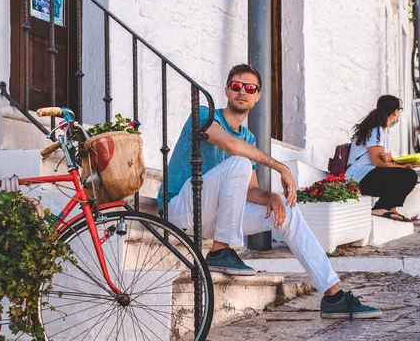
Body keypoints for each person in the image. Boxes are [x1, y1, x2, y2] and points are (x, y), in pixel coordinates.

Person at [157, 64, 381, 319]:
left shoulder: (249, 139)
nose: (243, 91)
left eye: (250, 88)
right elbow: (231, 145)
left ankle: (333, 296)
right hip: (179, 209)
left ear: (257, 96)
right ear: (227, 90)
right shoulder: (204, 115)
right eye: (237, 86)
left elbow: (250, 190)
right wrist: (280, 167)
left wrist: (272, 197)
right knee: (239, 161)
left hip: (212, 217)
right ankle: (220, 251)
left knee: (287, 212)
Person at [345, 95, 418, 222]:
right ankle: (380, 207)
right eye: (399, 110)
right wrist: (402, 167)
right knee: (408, 176)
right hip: (358, 177)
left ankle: (390, 208)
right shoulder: (375, 131)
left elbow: (383, 161)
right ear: (395, 112)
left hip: (367, 175)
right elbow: (377, 162)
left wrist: (394, 161)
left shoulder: (383, 133)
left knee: (405, 175)